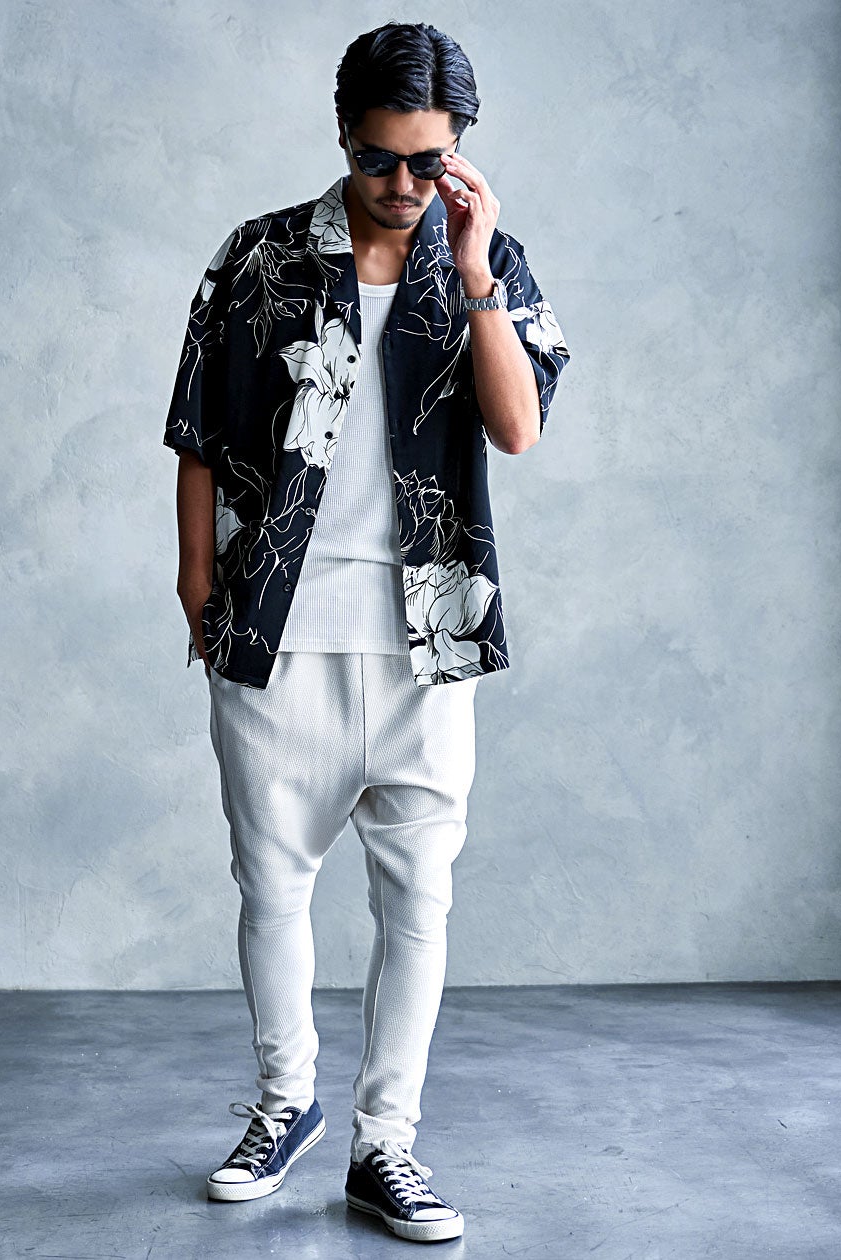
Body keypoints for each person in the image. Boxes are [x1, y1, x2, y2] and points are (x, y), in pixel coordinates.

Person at [164, 20, 570, 1244]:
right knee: (272, 884)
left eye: (428, 159)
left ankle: (385, 1144)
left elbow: (517, 429)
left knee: (418, 901)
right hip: (276, 628)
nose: (403, 184)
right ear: (344, 137)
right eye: (380, 158)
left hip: (427, 638)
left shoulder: (489, 259)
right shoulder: (262, 255)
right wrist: (197, 583)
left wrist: (477, 272)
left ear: (460, 147)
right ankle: (284, 1105)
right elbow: (199, 429)